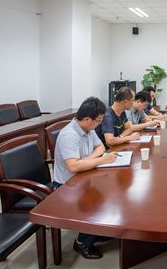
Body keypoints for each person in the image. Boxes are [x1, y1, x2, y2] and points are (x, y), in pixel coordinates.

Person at [52, 96, 120, 260]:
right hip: (66, 185)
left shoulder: (88, 129)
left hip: (84, 175)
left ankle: (95, 231)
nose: (100, 123)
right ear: (88, 119)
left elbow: (101, 147)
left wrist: (87, 160)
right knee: (95, 201)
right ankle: (82, 242)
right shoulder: (69, 135)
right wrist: (101, 160)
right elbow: (73, 167)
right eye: (99, 120)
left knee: (114, 192)